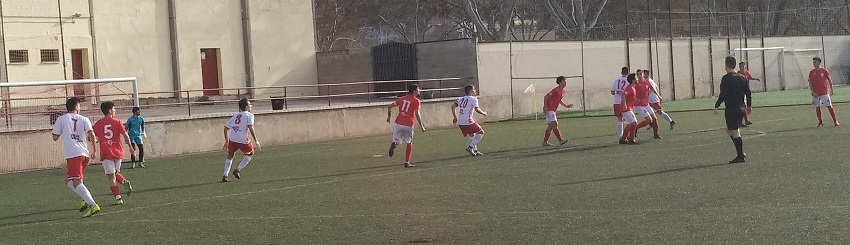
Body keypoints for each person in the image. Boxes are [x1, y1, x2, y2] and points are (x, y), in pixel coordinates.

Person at [52, 98, 101, 217]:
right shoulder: (84, 119)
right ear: (77, 107)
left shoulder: (61, 119)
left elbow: (55, 137)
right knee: (68, 180)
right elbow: (92, 134)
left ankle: (93, 205)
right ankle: (85, 198)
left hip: (73, 154)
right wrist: (94, 150)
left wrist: (61, 133)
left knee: (76, 181)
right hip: (84, 154)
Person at [93, 102, 135, 205]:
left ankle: (118, 198)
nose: (115, 111)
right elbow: (125, 135)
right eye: (114, 109)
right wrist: (130, 147)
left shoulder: (98, 124)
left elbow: (92, 137)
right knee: (115, 173)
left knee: (111, 178)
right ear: (110, 111)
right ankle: (124, 181)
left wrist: (97, 142)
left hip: (107, 153)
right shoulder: (117, 122)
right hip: (118, 152)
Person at [714, 56, 752, 163]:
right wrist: (749, 106)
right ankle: (741, 153)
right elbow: (748, 93)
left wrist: (717, 105)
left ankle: (740, 156)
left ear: (726, 65)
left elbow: (723, 94)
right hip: (740, 108)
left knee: (734, 131)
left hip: (731, 109)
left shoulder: (726, 78)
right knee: (730, 130)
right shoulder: (742, 77)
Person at [221, 98, 261, 182]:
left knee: (230, 155)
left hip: (233, 138)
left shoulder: (235, 115)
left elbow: (225, 128)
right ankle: (238, 169)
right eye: (250, 105)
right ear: (246, 107)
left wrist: (227, 141)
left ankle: (225, 175)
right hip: (243, 139)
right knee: (251, 153)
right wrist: (256, 140)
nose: (251, 106)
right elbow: (250, 127)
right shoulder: (250, 115)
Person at [387, 84, 426, 168]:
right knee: (409, 143)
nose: (419, 90)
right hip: (408, 124)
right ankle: (407, 162)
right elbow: (417, 113)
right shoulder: (416, 101)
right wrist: (421, 125)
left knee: (396, 140)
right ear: (414, 91)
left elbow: (390, 106)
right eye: (418, 89)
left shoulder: (402, 99)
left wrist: (389, 117)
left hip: (398, 123)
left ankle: (394, 144)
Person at [452, 85, 488, 155]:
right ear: (471, 91)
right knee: (481, 132)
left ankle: (475, 151)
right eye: (474, 90)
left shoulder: (461, 99)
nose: (475, 91)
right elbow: (477, 109)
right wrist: (484, 113)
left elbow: (452, 106)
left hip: (460, 122)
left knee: (472, 134)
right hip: (467, 121)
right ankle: (470, 147)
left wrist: (455, 117)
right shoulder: (473, 99)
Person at [541, 76, 574, 146]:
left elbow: (559, 100)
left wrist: (566, 106)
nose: (565, 82)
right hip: (550, 109)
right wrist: (545, 106)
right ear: (560, 82)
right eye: (564, 81)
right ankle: (560, 140)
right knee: (555, 124)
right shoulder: (555, 90)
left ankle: (545, 142)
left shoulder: (563, 91)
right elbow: (546, 97)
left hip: (553, 110)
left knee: (550, 126)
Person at [808, 57, 840, 127]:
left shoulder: (824, 71)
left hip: (824, 92)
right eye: (813, 62)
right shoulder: (811, 72)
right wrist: (813, 92)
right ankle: (820, 121)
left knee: (829, 106)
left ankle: (835, 121)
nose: (814, 64)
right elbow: (810, 83)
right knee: (817, 107)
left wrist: (831, 89)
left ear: (819, 63)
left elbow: (829, 80)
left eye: (815, 62)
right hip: (815, 94)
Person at [633, 70, 662, 139]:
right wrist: (634, 99)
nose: (639, 75)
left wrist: (658, 96)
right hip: (639, 105)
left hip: (646, 104)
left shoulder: (647, 82)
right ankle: (635, 128)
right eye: (638, 74)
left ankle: (656, 134)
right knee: (649, 120)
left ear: (643, 74)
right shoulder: (636, 84)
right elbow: (632, 92)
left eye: (640, 74)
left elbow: (652, 89)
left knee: (654, 118)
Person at [619, 74, 639, 144]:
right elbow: (624, 95)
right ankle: (631, 139)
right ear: (633, 80)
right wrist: (625, 105)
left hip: (628, 108)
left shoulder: (633, 87)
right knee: (634, 123)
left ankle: (623, 139)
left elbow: (629, 98)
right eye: (636, 78)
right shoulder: (630, 87)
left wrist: (635, 101)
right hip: (626, 109)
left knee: (631, 124)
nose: (637, 79)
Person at [738, 62, 759, 126]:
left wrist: (755, 79)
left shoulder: (747, 73)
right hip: (740, 92)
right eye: (740, 66)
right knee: (742, 106)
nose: (741, 68)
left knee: (744, 106)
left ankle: (745, 120)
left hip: (745, 91)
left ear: (745, 67)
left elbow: (749, 77)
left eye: (742, 66)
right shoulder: (738, 74)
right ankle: (742, 121)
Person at [611, 67, 629, 139]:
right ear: (628, 72)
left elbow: (612, 92)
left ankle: (620, 135)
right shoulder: (628, 81)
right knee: (629, 119)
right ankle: (627, 134)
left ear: (621, 72)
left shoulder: (616, 80)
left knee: (620, 118)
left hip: (616, 102)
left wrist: (617, 92)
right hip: (625, 103)